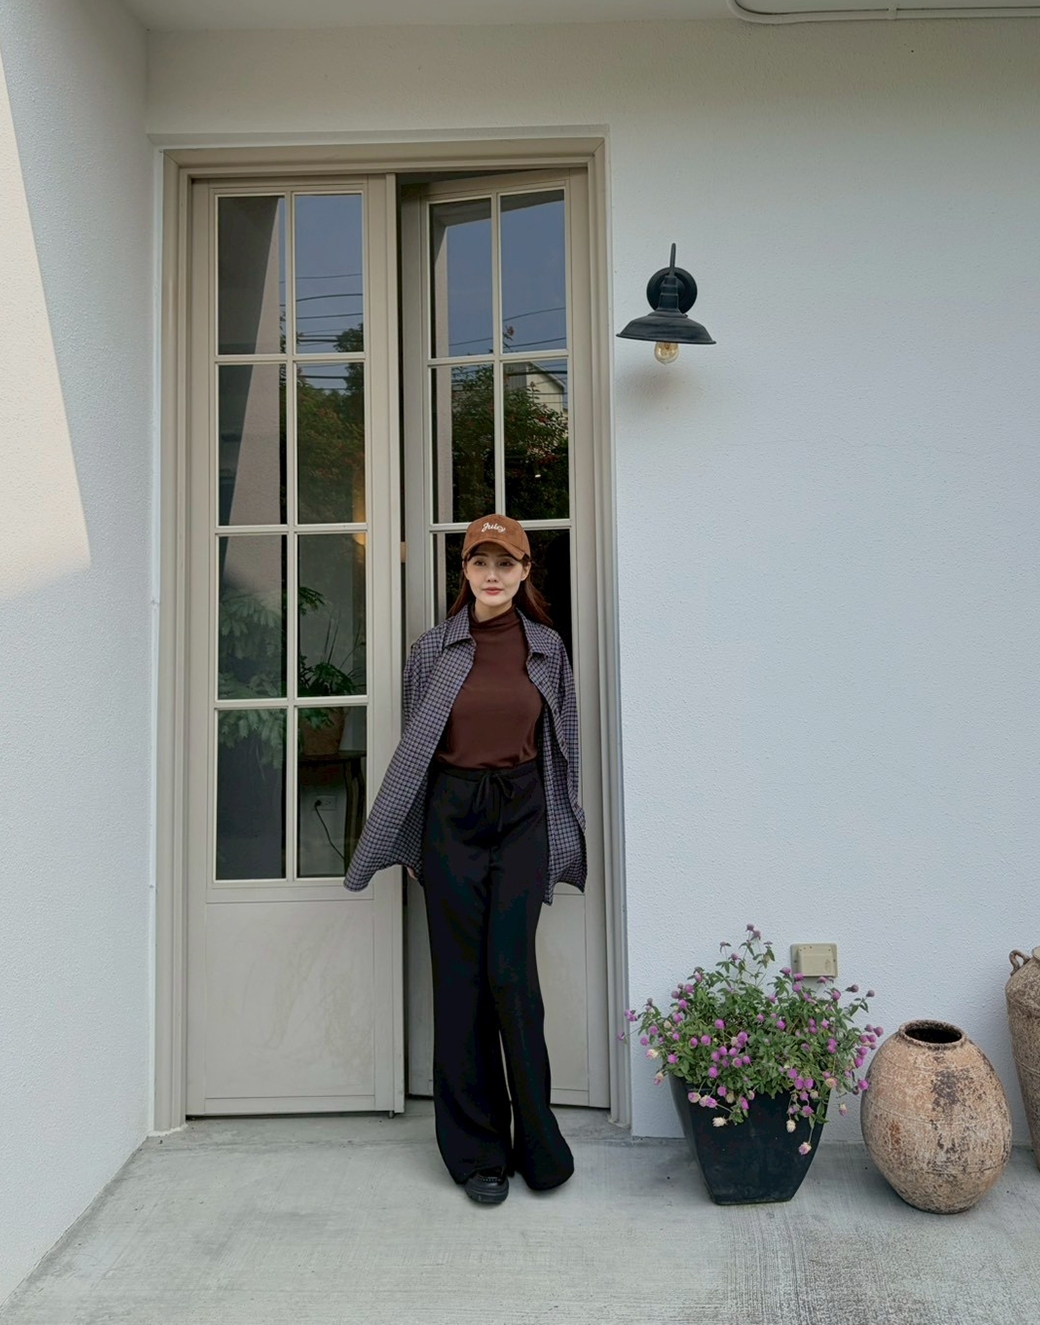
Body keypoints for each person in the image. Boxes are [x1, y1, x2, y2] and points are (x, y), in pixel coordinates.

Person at [344, 513, 587, 1204]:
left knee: (512, 977)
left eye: (505, 563)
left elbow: (563, 746)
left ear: (525, 571)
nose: (492, 574)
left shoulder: (547, 648)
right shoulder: (433, 650)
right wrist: (414, 840)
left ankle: (538, 1144)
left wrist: (559, 831)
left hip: (522, 815)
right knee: (459, 983)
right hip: (452, 816)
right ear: (465, 571)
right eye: (481, 562)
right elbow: (417, 750)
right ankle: (479, 1154)